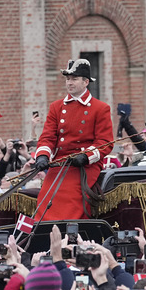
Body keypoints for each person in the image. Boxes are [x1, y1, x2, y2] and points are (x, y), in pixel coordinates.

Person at [32, 58, 114, 220]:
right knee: (46, 195)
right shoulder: (56, 107)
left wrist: (85, 156)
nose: (69, 83)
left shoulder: (101, 108)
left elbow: (105, 142)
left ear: (85, 82)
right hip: (60, 162)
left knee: (72, 198)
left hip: (85, 166)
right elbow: (48, 136)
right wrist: (42, 156)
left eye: (74, 79)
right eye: (67, 79)